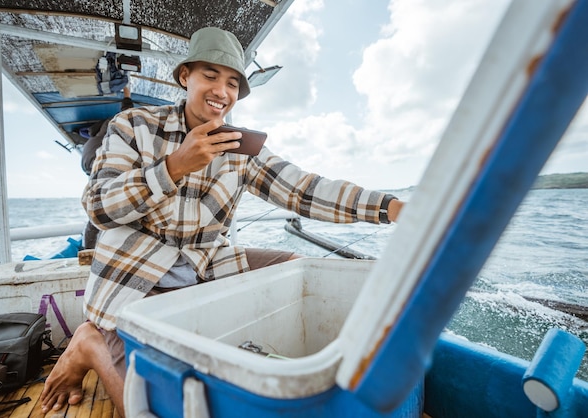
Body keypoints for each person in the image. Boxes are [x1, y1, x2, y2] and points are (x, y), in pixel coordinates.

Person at [40, 27, 404, 416]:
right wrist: (174, 166)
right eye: (210, 76)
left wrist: (390, 208)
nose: (222, 91)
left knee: (296, 271)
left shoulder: (239, 148)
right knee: (150, 407)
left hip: (204, 265)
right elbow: (98, 207)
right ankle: (90, 342)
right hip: (132, 279)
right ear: (185, 78)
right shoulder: (134, 126)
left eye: (232, 83)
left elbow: (304, 190)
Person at [80, 86, 134, 249]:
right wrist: (127, 95)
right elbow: (128, 112)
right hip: (99, 159)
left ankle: (87, 248)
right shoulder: (121, 125)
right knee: (104, 204)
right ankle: (89, 250)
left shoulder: (99, 130)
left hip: (87, 160)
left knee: (98, 197)